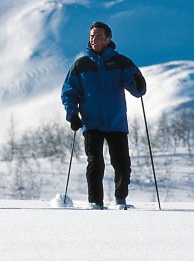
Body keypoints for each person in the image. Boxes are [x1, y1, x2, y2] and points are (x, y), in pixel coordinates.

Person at [61, 21, 147, 209]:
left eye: (98, 36)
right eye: (92, 36)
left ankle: (120, 201)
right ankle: (95, 203)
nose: (94, 39)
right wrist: (72, 114)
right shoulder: (81, 64)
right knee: (95, 163)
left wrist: (139, 84)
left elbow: (137, 89)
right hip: (91, 122)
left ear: (108, 39)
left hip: (116, 121)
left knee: (122, 164)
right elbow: (69, 92)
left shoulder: (121, 62)